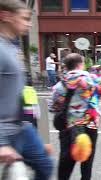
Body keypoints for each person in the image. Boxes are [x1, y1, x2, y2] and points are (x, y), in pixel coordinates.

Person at [0, 0, 53, 179]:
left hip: (22, 128)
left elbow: (21, 94)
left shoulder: (12, 47)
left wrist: (37, 135)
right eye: (24, 18)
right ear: (5, 16)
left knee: (45, 164)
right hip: (5, 131)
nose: (29, 23)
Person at [51, 53, 101, 180]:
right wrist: (97, 68)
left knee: (66, 162)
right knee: (87, 161)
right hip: (90, 124)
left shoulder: (60, 85)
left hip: (69, 126)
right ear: (81, 64)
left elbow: (53, 107)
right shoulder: (92, 81)